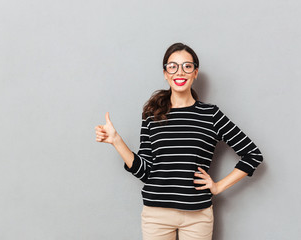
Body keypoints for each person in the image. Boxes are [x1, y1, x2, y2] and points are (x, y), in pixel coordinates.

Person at [95, 42, 263, 240]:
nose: (179, 72)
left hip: (197, 216)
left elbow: (253, 155)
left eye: (187, 66)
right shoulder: (151, 115)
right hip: (156, 215)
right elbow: (146, 172)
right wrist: (116, 141)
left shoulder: (211, 115)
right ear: (166, 73)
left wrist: (218, 186)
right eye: (173, 66)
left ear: (195, 73)